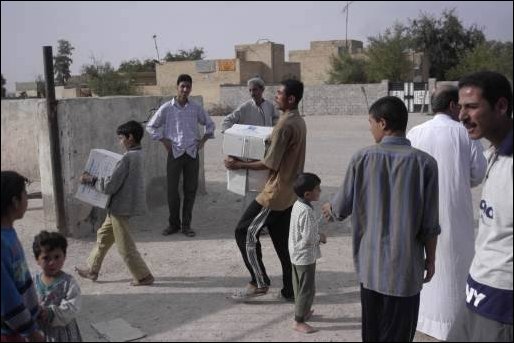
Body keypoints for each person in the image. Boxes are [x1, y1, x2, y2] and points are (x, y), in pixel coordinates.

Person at [322, 96, 440, 342]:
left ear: (383, 123)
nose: (370, 127)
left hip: (371, 270)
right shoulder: (425, 163)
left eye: (371, 122)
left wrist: (328, 208)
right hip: (405, 273)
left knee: (372, 334)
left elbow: (339, 209)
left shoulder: (362, 158)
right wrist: (431, 260)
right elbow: (430, 224)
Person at [406, 85, 487, 340]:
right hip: (456, 216)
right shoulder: (466, 134)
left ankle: (424, 321)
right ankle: (455, 324)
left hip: (420, 216)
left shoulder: (415, 132)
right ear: (453, 106)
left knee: (428, 269)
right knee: (455, 267)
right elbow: (477, 173)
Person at [225, 79, 306, 301]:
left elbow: (270, 163)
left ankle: (259, 282)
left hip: (276, 193)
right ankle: (290, 290)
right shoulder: (298, 121)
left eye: (279, 93)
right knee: (281, 242)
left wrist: (238, 164)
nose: (275, 96)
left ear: (291, 98)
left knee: (243, 231)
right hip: (290, 192)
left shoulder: (284, 125)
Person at [447, 71, 513, 342]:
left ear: (501, 106)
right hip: (476, 291)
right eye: (461, 107)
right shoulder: (493, 153)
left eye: (472, 107)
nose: (462, 115)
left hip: (502, 303)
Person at [75, 120, 154, 287]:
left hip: (121, 207)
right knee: (103, 236)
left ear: (130, 138)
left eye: (121, 138)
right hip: (122, 206)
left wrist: (90, 179)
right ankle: (92, 269)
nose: (120, 142)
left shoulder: (127, 159)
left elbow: (110, 186)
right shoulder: (138, 155)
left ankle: (143, 276)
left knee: (125, 246)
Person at [146, 74, 216, 237]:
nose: (185, 89)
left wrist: (203, 141)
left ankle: (186, 225)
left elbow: (210, 124)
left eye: (188, 87)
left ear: (191, 88)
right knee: (172, 190)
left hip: (192, 153)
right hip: (175, 153)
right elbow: (151, 127)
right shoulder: (167, 108)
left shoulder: (196, 108)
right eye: (182, 86)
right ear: (177, 87)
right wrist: (164, 141)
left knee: (190, 190)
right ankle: (173, 224)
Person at [1, 171, 45, 342]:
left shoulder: (9, 233)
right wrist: (31, 333)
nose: (27, 199)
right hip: (10, 332)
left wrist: (34, 310)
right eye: (25, 194)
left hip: (19, 328)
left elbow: (19, 279)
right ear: (15, 201)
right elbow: (6, 296)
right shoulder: (3, 242)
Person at [289, 173, 326, 334]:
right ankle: (298, 321)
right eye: (317, 189)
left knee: (299, 286)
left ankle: (302, 312)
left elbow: (306, 228)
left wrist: (322, 221)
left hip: (296, 254)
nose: (320, 191)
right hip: (305, 257)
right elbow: (310, 237)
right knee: (307, 288)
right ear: (307, 194)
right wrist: (321, 238)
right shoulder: (306, 211)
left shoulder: (299, 205)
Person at [33, 231, 82, 342]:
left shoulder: (68, 283)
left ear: (64, 257)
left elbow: (73, 307)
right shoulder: (32, 282)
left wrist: (51, 313)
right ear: (37, 260)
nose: (52, 262)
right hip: (40, 333)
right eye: (46, 258)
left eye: (57, 257)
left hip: (63, 334)